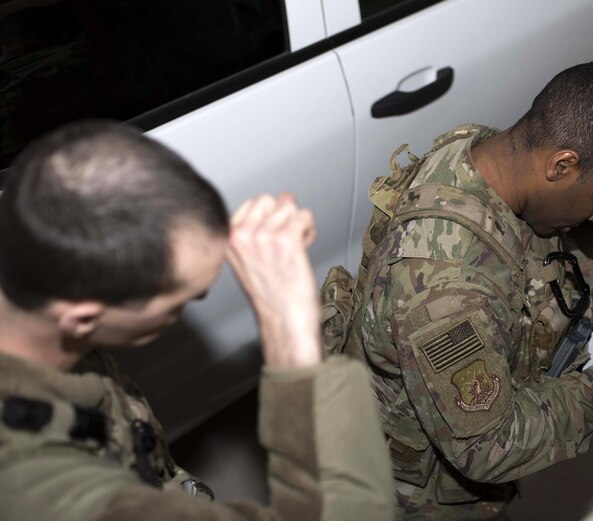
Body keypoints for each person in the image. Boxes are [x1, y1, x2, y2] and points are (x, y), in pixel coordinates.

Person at [341, 62, 593, 519]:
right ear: (562, 164)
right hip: (407, 493)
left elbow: (537, 246)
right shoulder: (444, 289)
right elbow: (488, 446)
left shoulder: (487, 156)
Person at [0, 121, 395, 521]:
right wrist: (290, 329)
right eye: (182, 301)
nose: (190, 309)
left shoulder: (37, 287)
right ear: (82, 318)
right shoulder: (40, 491)